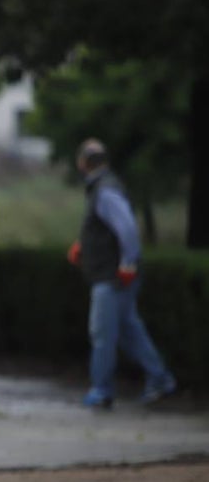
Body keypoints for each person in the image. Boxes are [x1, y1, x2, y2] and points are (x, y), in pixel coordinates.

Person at [68, 139, 176, 408]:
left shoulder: (103, 190)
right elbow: (111, 228)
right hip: (113, 273)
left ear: (82, 163)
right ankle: (160, 379)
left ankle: (102, 390)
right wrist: (85, 246)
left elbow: (126, 228)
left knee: (102, 333)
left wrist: (127, 265)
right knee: (129, 330)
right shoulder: (106, 186)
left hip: (111, 277)